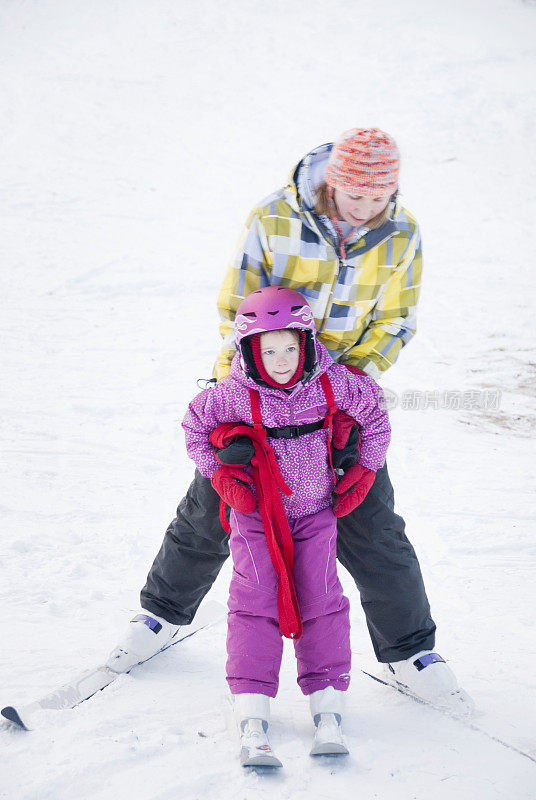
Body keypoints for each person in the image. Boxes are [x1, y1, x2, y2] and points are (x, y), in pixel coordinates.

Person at [106, 128, 473, 714]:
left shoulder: (402, 234)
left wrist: (353, 386)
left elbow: (398, 316)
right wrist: (234, 385)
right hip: (258, 387)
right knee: (213, 509)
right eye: (354, 197)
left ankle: (410, 653)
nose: (364, 210)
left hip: (337, 399)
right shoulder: (276, 217)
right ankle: (159, 617)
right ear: (334, 182)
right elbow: (237, 303)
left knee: (372, 524)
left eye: (377, 199)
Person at [181, 286, 390, 761]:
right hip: (256, 515)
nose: (281, 360)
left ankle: (328, 704)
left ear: (306, 342)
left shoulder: (332, 383)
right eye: (268, 350)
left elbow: (375, 414)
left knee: (322, 598)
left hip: (316, 513)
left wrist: (365, 467)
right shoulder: (232, 394)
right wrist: (219, 475)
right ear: (250, 351)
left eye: (290, 348)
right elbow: (194, 429)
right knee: (255, 601)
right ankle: (253, 709)